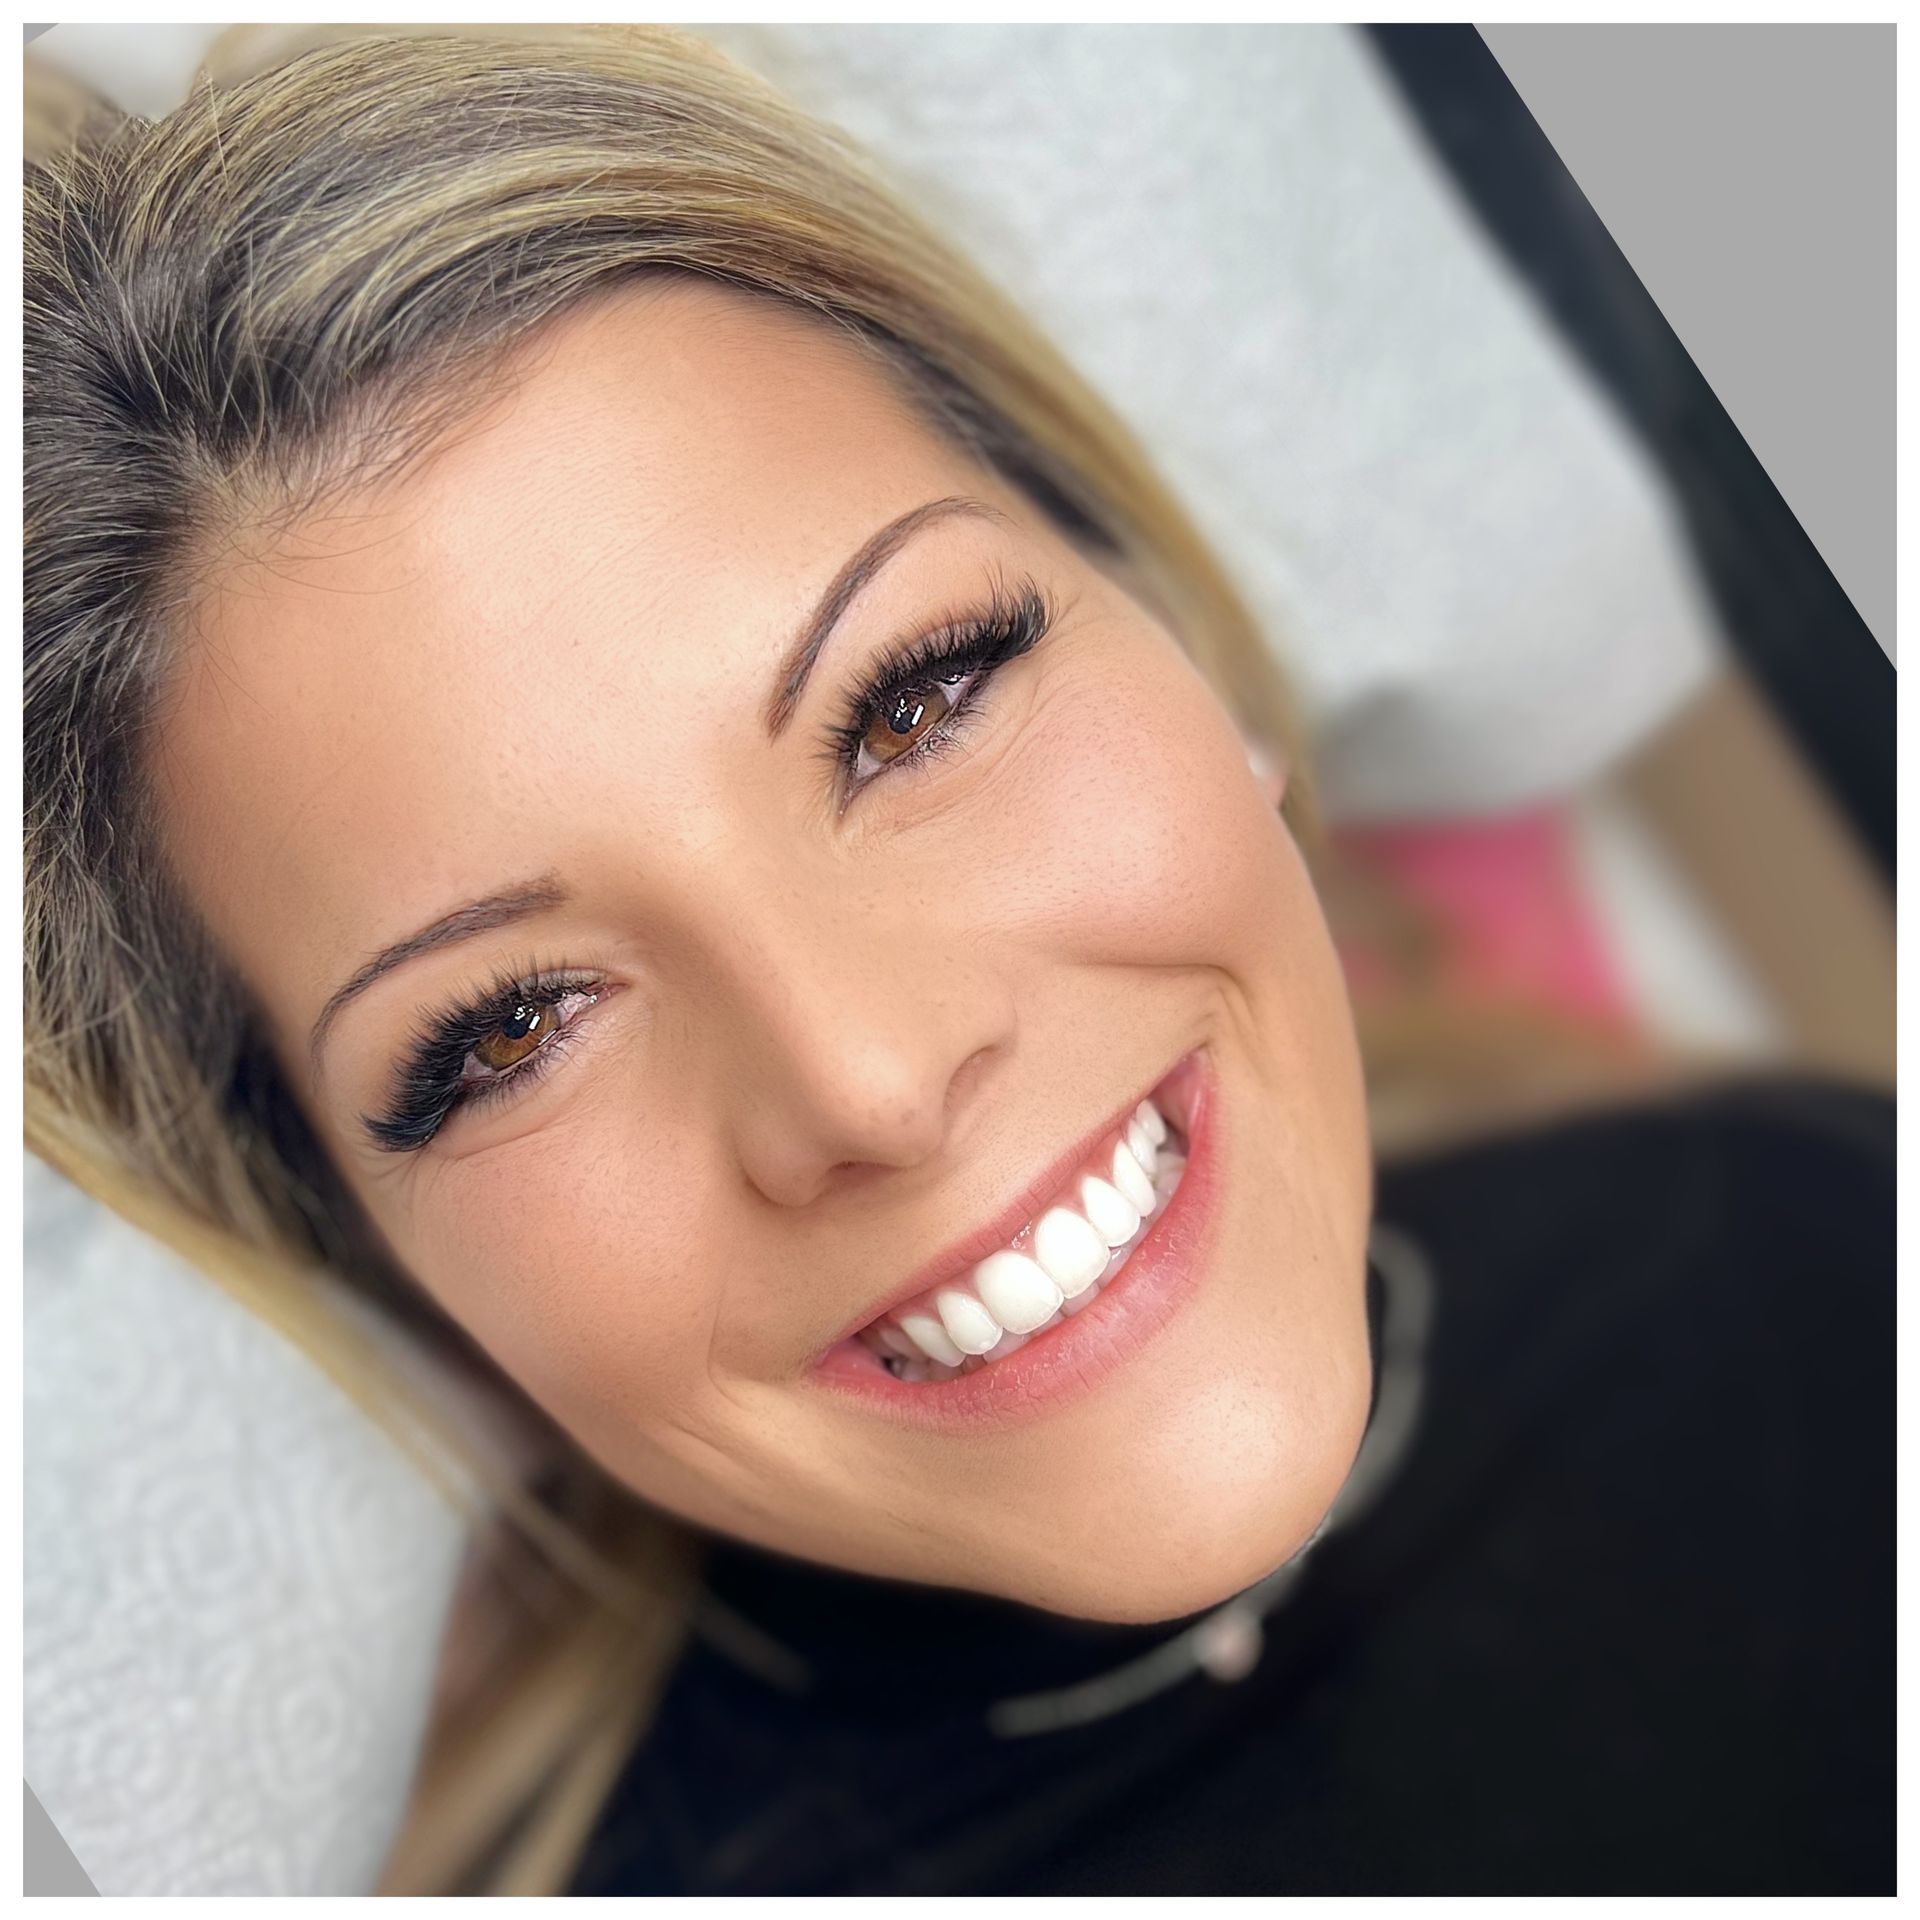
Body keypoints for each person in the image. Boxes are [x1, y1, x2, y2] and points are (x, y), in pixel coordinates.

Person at [24, 25, 1891, 1897]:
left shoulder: (1812, 1229)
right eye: (511, 1027)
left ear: (1183, 642)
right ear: (371, 1255)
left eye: (912, 705)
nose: (871, 1078)